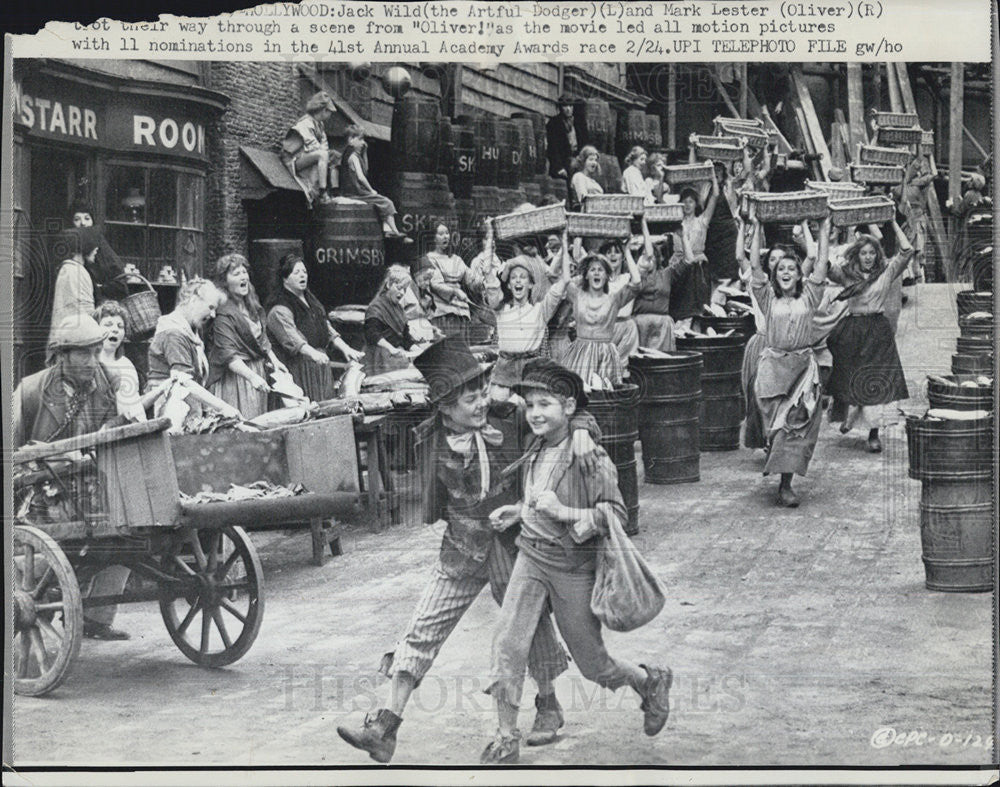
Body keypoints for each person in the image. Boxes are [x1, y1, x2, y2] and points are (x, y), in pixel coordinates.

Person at [336, 337, 603, 763]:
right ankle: (385, 728)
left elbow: (571, 413)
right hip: (461, 549)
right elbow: (436, 501)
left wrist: (585, 431)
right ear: (444, 407)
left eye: (482, 393)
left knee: (526, 633)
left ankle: (548, 706)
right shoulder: (430, 439)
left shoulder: (512, 417)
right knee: (422, 628)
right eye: (469, 399)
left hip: (516, 547)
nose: (481, 403)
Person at [481, 358, 672, 764]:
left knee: (594, 666)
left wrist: (563, 513)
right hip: (530, 557)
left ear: (568, 407)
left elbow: (616, 516)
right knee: (507, 644)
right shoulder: (538, 446)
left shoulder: (589, 456)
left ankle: (647, 680)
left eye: (544, 404)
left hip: (572, 568)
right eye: (530, 403)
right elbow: (539, 500)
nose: (534, 413)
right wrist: (520, 511)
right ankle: (504, 737)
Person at [14, 314, 131, 641]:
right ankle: (24, 584)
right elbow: (11, 452)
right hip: (37, 492)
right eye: (85, 354)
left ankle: (95, 618)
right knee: (49, 548)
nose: (93, 361)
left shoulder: (105, 382)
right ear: (62, 355)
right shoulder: (31, 391)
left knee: (132, 530)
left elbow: (110, 430)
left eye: (96, 352)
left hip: (88, 483)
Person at [745, 214, 832, 507]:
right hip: (772, 370)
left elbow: (820, 263)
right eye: (781, 268)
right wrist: (756, 226)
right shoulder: (767, 298)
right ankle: (776, 459)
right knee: (775, 428)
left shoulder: (809, 296)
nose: (785, 272)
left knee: (793, 427)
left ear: (798, 274)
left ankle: (786, 485)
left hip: (803, 370)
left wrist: (825, 226)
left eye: (791, 268)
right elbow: (755, 266)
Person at [825, 222, 914, 453]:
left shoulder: (886, 272)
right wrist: (824, 230)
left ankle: (874, 433)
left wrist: (893, 221)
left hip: (877, 331)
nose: (868, 257)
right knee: (851, 377)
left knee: (877, 381)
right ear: (857, 255)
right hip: (853, 330)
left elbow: (907, 251)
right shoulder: (846, 274)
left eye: (872, 253)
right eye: (863, 253)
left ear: (877, 255)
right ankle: (850, 415)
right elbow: (822, 266)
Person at [266, 253, 364, 401]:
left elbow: (326, 327)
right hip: (299, 368)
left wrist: (346, 348)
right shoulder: (279, 309)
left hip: (319, 366)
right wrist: (313, 354)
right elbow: (294, 340)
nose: (302, 276)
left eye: (304, 272)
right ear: (285, 278)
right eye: (296, 272)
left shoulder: (312, 302)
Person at [484, 230, 571, 395]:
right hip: (503, 374)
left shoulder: (540, 310)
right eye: (513, 278)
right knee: (499, 412)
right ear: (509, 285)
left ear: (531, 284)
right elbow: (488, 273)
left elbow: (565, 280)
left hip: (531, 373)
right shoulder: (501, 309)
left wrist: (565, 242)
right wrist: (490, 237)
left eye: (523, 277)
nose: (518, 280)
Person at [559, 247, 641, 389]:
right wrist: (565, 244)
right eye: (592, 270)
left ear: (607, 276)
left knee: (604, 392)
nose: (596, 273)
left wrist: (626, 249)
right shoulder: (577, 295)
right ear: (586, 275)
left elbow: (637, 282)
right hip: (580, 352)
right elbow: (564, 279)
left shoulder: (614, 299)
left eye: (601, 270)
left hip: (605, 355)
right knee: (578, 392)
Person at [146, 279, 225, 421]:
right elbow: (184, 381)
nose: (212, 315)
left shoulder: (190, 332)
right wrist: (223, 407)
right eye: (210, 307)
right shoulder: (173, 333)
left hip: (187, 411)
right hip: (171, 414)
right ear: (194, 300)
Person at [631, 224, 696, 353]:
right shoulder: (635, 276)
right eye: (643, 255)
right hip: (639, 325)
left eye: (651, 256)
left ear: (657, 259)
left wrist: (683, 237)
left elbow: (689, 260)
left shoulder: (666, 274)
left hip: (662, 326)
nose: (648, 259)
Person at [668, 169, 720, 328]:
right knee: (677, 309)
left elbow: (715, 196)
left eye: (690, 201)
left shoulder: (702, 220)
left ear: (695, 203)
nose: (687, 205)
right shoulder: (675, 222)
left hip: (697, 269)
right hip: (678, 267)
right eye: (684, 201)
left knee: (697, 310)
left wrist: (712, 176)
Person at [339, 125, 408, 239]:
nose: (363, 143)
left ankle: (388, 230)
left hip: (352, 191)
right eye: (360, 139)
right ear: (351, 140)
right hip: (356, 192)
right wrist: (371, 190)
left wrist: (364, 152)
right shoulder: (353, 157)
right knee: (387, 202)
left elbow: (366, 169)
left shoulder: (351, 154)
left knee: (380, 203)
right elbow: (361, 177)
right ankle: (394, 231)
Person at [421, 223, 484, 339]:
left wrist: (483, 280)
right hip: (443, 313)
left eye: (447, 233)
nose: (445, 236)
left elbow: (471, 279)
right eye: (441, 234)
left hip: (462, 311)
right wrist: (454, 292)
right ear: (433, 238)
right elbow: (435, 284)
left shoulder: (457, 259)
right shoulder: (430, 258)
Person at [49, 227, 104, 349]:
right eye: (93, 244)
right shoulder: (76, 271)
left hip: (67, 339)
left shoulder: (69, 269)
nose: (96, 249)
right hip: (75, 342)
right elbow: (85, 314)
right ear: (84, 246)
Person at [281, 91, 338, 207]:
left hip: (306, 157)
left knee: (331, 156)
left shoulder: (319, 125)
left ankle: (329, 192)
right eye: (329, 112)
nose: (330, 115)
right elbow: (312, 145)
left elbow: (324, 144)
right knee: (322, 155)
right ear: (323, 110)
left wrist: (329, 153)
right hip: (293, 160)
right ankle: (322, 192)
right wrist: (325, 153)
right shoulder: (305, 122)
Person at [94, 301, 147, 422]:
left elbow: (135, 406)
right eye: (108, 324)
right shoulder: (91, 364)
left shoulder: (126, 364)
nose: (115, 330)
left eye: (120, 326)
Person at [364, 266, 422, 375]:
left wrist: (418, 350)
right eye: (399, 288)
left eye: (405, 289)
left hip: (397, 358)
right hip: (379, 359)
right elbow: (372, 334)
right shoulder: (376, 307)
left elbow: (405, 338)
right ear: (388, 285)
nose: (402, 293)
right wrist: (391, 349)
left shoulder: (399, 309)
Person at [896, 151, 933, 284]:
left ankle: (918, 277)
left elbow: (929, 175)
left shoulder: (915, 185)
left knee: (917, 252)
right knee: (910, 252)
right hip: (907, 222)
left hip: (916, 221)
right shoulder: (902, 187)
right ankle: (912, 277)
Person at [546, 94, 581, 181]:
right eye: (565, 106)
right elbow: (553, 148)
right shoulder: (554, 123)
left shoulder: (578, 123)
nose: (568, 109)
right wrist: (559, 167)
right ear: (560, 108)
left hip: (577, 163)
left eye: (570, 106)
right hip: (562, 164)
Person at [569, 146, 604, 210]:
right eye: (591, 159)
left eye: (595, 160)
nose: (594, 163)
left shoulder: (593, 181)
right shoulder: (579, 177)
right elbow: (584, 200)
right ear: (583, 161)